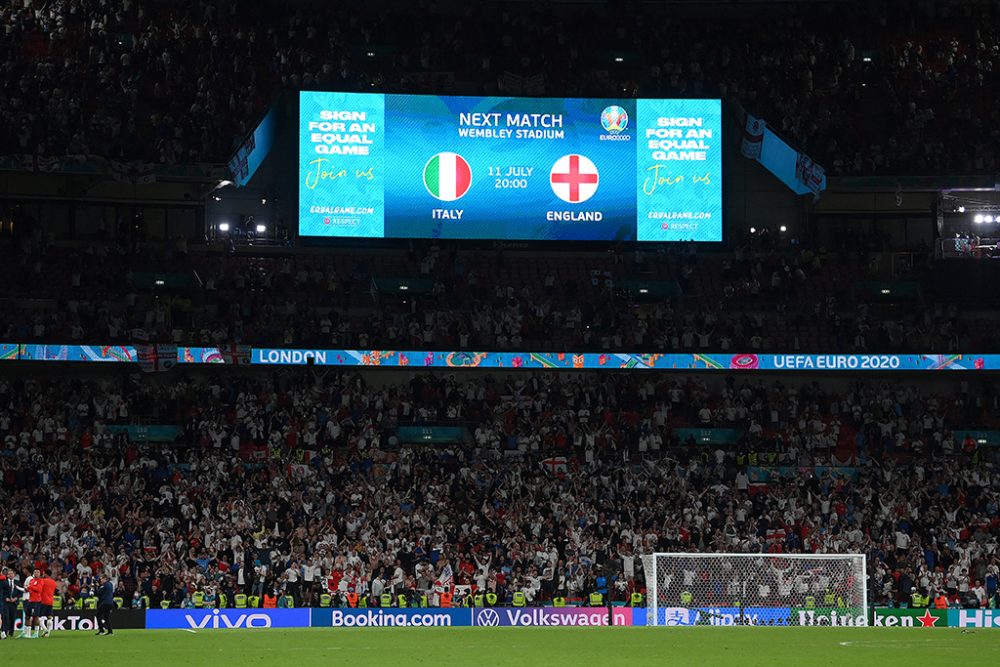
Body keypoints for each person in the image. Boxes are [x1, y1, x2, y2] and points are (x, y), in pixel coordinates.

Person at [39, 570, 57, 638]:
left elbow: (39, 590)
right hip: (51, 601)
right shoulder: (53, 582)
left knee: (40, 617)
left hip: (43, 601)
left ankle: (45, 629)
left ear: (44, 573)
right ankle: (48, 633)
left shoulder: (42, 581)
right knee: (50, 617)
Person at [25, 568, 42, 639]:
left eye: (37, 572)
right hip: (30, 600)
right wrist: (27, 588)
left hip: (37, 601)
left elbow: (39, 589)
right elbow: (29, 589)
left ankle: (36, 633)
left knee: (36, 617)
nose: (36, 573)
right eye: (35, 572)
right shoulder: (31, 580)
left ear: (40, 574)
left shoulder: (41, 581)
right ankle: (27, 634)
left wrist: (30, 587)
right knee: (27, 616)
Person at [0, 567, 16, 639]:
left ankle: (7, 632)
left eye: (11, 574)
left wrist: (14, 598)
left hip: (10, 602)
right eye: (8, 574)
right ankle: (4, 632)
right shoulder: (4, 581)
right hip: (4, 602)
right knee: (4, 617)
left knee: (9, 617)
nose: (10, 575)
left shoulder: (16, 582)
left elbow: (18, 592)